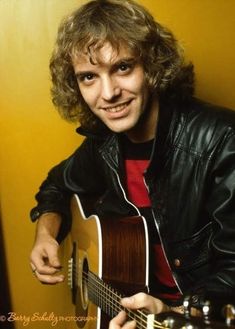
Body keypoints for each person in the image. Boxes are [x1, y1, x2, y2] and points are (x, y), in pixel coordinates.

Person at [29, 0, 235, 328]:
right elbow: (57, 184)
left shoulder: (222, 140)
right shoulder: (103, 146)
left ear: (152, 65)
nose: (108, 93)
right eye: (88, 77)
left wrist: (179, 313)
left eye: (123, 67)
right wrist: (46, 234)